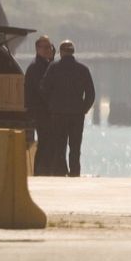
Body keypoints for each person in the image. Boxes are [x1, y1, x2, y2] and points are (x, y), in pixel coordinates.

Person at [41, 39, 95, 177]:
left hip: (58, 114)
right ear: (73, 52)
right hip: (77, 115)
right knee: (75, 146)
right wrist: (84, 109)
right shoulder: (83, 69)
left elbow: (44, 89)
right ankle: (75, 172)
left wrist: (51, 106)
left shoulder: (53, 68)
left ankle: (60, 172)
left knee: (60, 146)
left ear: (61, 52)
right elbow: (91, 94)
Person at [24, 35, 55, 176]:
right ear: (38, 49)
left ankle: (45, 171)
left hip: (44, 111)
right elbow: (42, 90)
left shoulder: (46, 65)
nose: (49, 50)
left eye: (50, 47)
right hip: (41, 111)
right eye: (46, 47)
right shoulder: (37, 67)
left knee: (48, 143)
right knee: (44, 143)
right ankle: (40, 172)